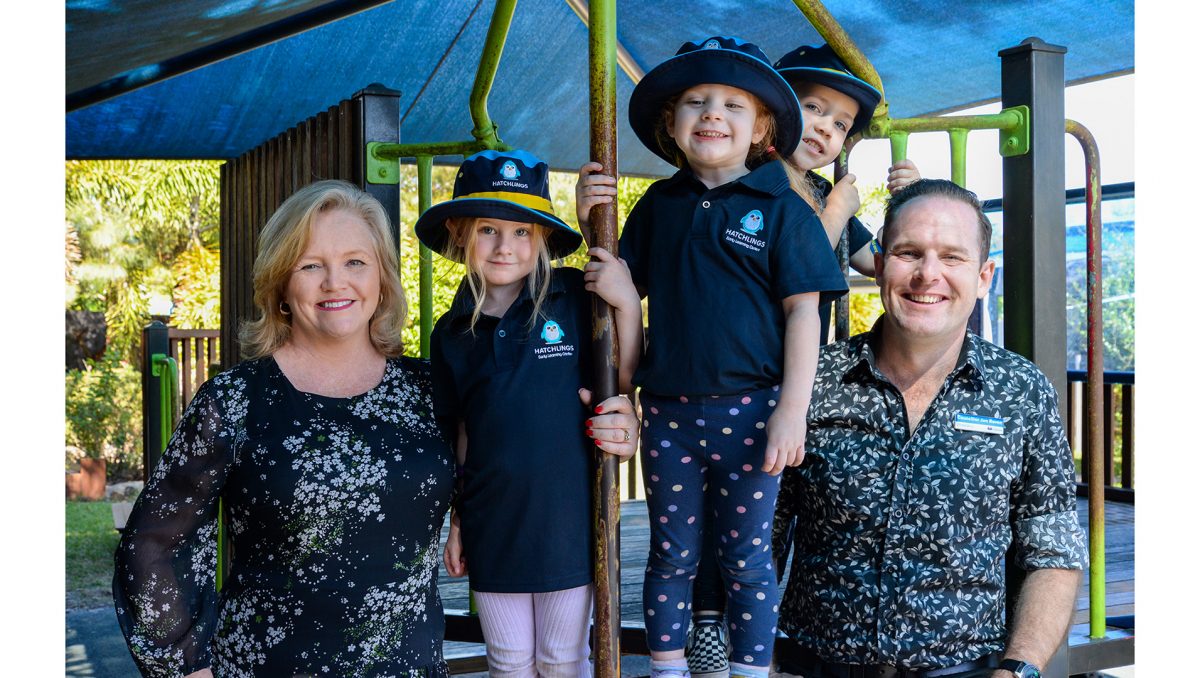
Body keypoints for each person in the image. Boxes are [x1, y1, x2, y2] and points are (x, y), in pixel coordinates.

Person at [581, 36, 849, 678]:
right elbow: (626, 305)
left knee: (747, 561)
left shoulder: (784, 208)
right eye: (696, 101)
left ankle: (750, 671)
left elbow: (803, 315)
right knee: (671, 554)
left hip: (755, 412)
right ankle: (669, 669)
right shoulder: (655, 207)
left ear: (762, 129)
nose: (712, 114)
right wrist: (599, 237)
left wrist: (793, 412)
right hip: (669, 414)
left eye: (733, 103)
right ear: (671, 124)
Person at [114, 180, 457, 677]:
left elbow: (509, 462)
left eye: (355, 262)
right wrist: (186, 666)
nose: (335, 282)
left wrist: (613, 415)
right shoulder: (234, 400)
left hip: (407, 666)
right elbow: (153, 543)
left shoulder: (431, 392)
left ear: (382, 275)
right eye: (310, 264)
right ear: (281, 284)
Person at [774, 179, 1087, 677]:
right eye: (908, 252)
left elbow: (1053, 551)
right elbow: (757, 536)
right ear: (878, 265)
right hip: (811, 666)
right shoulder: (810, 379)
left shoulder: (1022, 391)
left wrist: (1019, 670)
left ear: (984, 276)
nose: (928, 275)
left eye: (953, 257)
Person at [416, 149, 643, 678]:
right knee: (510, 660)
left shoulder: (570, 295)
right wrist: (458, 521)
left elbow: (624, 376)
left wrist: (627, 304)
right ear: (459, 231)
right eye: (489, 230)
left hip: (568, 517)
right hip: (492, 520)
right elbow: (463, 433)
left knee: (562, 659)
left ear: (541, 238)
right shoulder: (451, 334)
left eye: (522, 232)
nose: (505, 246)